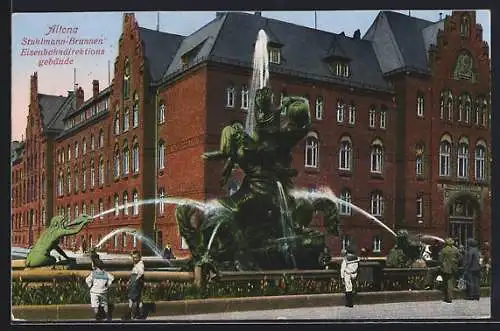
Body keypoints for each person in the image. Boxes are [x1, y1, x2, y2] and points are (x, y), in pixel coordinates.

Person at [85, 253, 114, 321]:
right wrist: (108, 284)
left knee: (96, 305)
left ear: (95, 266)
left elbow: (87, 280)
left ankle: (97, 316)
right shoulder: (105, 273)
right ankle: (107, 316)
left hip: (94, 291)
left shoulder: (93, 273)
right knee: (105, 303)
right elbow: (112, 278)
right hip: (103, 291)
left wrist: (90, 285)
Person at [125, 250, 145, 320]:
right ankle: (141, 314)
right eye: (133, 258)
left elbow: (141, 273)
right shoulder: (137, 263)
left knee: (132, 299)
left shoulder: (140, 264)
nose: (134, 259)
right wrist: (130, 280)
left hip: (135, 283)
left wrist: (136, 279)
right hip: (136, 282)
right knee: (138, 299)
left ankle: (132, 315)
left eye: (136, 258)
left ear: (140, 257)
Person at [438, 237, 459, 303]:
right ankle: (449, 297)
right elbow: (460, 257)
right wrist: (455, 261)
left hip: (445, 268)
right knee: (451, 282)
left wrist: (442, 265)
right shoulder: (455, 249)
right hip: (453, 268)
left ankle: (448, 297)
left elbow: (440, 260)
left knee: (446, 283)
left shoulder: (444, 250)